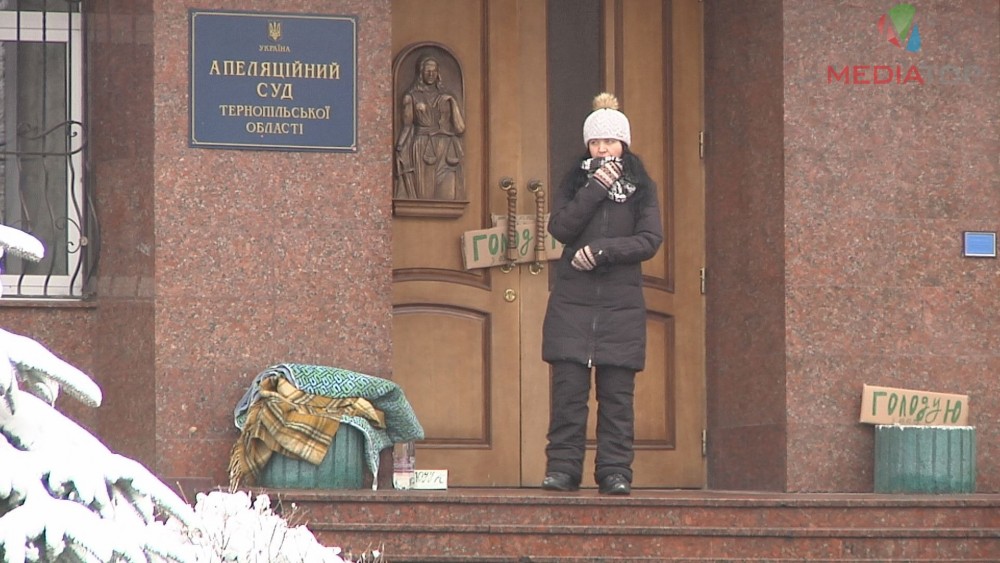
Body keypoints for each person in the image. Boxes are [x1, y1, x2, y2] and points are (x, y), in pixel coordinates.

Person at [540, 92, 663, 496]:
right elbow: (561, 228)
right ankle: (562, 469)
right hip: (571, 305)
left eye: (610, 141)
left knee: (617, 399)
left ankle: (614, 472)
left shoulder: (641, 187)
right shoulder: (575, 182)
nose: (603, 149)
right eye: (595, 142)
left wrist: (602, 251)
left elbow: (650, 239)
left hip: (620, 307)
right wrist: (595, 188)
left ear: (623, 143)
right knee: (568, 396)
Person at [394, 55, 466, 200]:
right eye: (427, 71)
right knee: (425, 196)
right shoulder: (411, 97)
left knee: (448, 196)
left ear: (438, 73)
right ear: (421, 73)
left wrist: (453, 103)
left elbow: (460, 129)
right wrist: (399, 148)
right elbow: (407, 126)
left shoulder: (447, 97)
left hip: (446, 148)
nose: (431, 74)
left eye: (434, 71)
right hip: (423, 146)